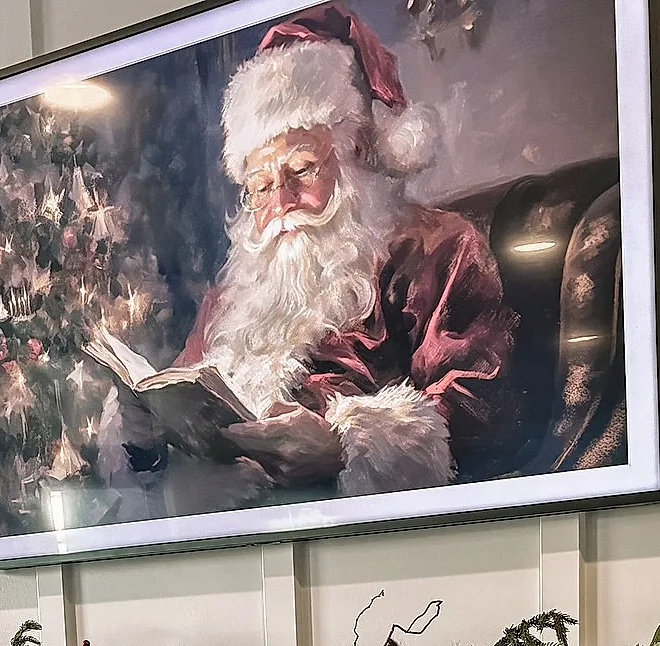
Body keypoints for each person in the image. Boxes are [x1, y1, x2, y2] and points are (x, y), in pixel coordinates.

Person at [104, 4, 516, 507]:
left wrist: (345, 448)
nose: (279, 204)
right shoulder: (233, 295)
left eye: (301, 170)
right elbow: (184, 393)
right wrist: (145, 438)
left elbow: (482, 408)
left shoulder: (439, 249)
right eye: (259, 185)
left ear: (355, 154)